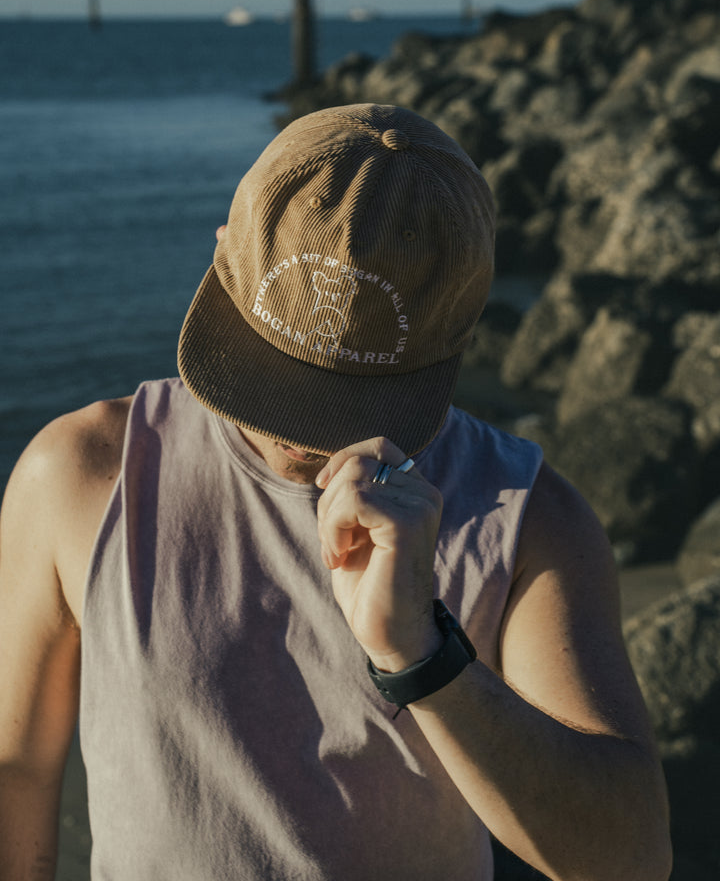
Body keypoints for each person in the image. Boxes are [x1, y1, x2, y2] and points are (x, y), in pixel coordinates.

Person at [0, 103, 671, 881]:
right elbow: (16, 767)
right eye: (272, 376)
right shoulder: (85, 472)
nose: (297, 432)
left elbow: (631, 861)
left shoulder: (527, 519)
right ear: (222, 255)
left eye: (347, 397)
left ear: (458, 334)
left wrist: (419, 654)